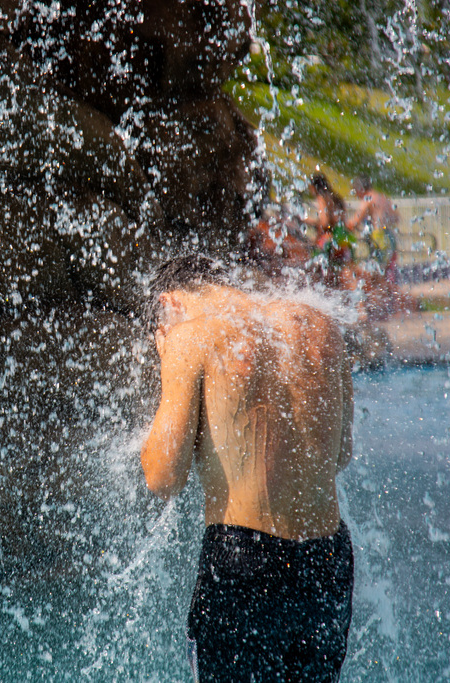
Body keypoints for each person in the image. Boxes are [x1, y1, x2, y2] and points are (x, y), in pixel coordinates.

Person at [141, 255, 355, 682]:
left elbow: (162, 477)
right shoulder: (320, 325)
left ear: (171, 302)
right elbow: (341, 455)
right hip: (327, 562)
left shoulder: (190, 336)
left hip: (245, 564)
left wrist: (170, 368)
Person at [346, 175, 400, 282]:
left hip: (378, 237)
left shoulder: (368, 199)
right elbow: (396, 218)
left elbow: (354, 221)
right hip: (390, 236)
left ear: (360, 189)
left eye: (355, 191)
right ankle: (392, 296)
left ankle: (381, 296)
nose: (356, 195)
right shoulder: (382, 197)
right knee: (387, 272)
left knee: (377, 275)